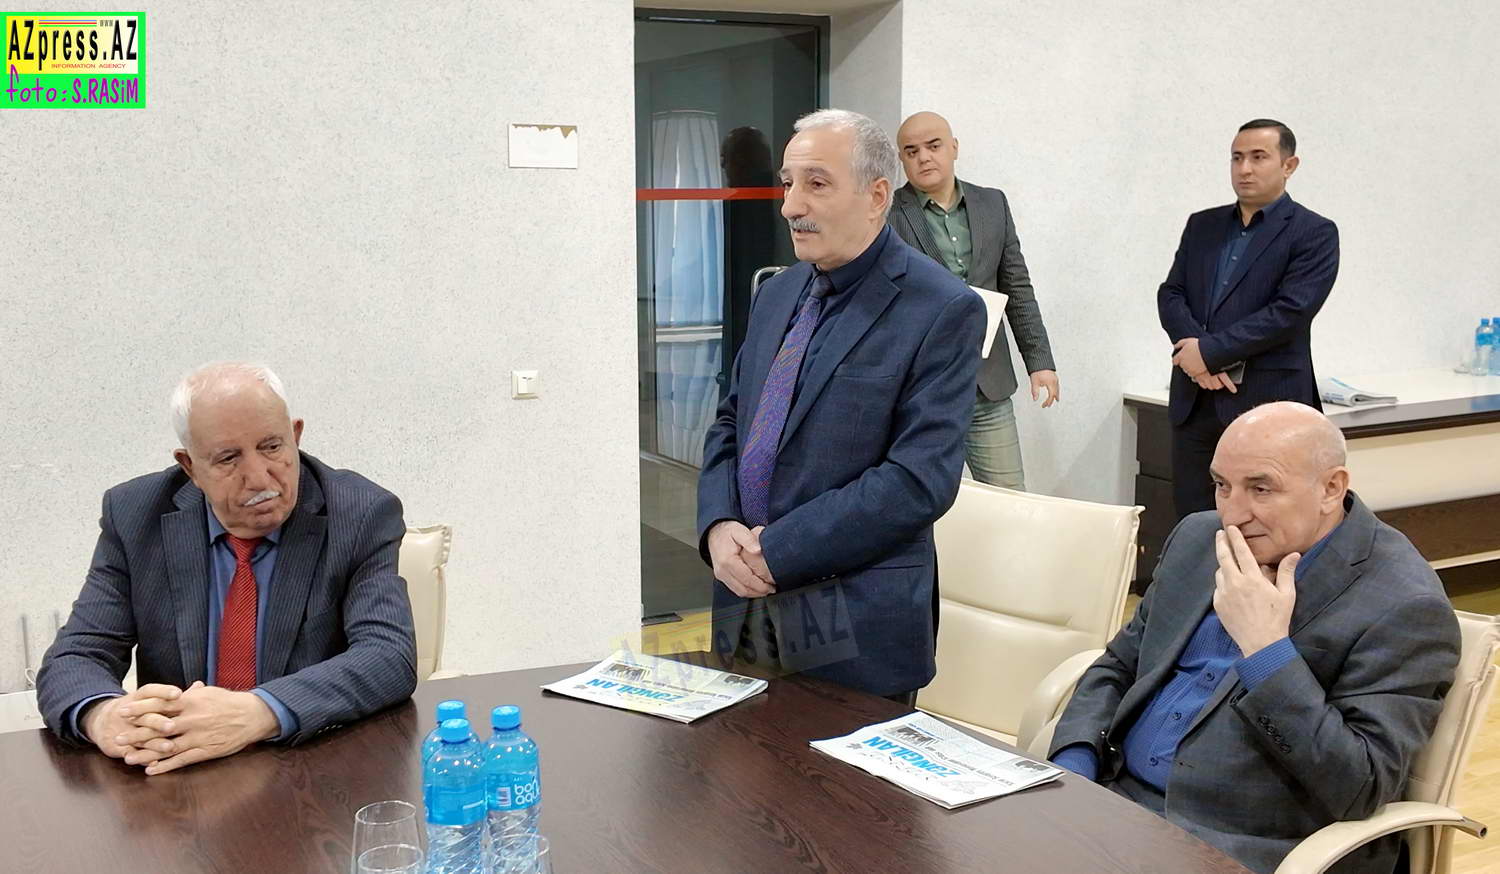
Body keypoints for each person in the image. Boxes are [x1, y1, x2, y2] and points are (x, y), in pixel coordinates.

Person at [1048, 402, 1459, 874]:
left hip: (1238, 845)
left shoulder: (1404, 604)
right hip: (1110, 801)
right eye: (1223, 485)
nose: (1233, 513)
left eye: (1261, 489)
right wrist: (1075, 765)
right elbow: (1120, 665)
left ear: (1331, 488)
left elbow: (1360, 785)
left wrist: (1266, 650)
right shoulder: (1197, 538)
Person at [696, 108, 983, 704]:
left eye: (816, 184)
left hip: (853, 626)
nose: (790, 205)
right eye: (787, 183)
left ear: (877, 196)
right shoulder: (777, 293)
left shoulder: (941, 308)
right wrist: (719, 526)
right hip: (744, 612)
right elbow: (732, 421)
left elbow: (919, 479)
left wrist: (778, 550)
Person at [37, 362, 417, 774]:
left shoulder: (360, 513)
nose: (258, 478)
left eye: (272, 447)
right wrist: (103, 715)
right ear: (190, 467)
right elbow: (76, 656)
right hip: (180, 772)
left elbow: (388, 655)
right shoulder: (135, 516)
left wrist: (260, 710)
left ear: (295, 436)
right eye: (228, 458)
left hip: (311, 767)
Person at [1158, 118, 1340, 517]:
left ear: (1289, 165)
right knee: (1193, 522)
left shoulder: (1314, 232)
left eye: (1258, 157)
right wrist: (1196, 358)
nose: (1244, 169)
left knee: (1265, 525)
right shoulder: (1202, 225)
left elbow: (1290, 312)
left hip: (1266, 402)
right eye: (1237, 158)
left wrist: (1209, 354)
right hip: (1195, 402)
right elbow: (1171, 293)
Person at [889, 111, 1058, 490]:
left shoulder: (992, 204)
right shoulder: (887, 215)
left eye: (933, 146)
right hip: (920, 393)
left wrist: (1040, 362)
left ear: (954, 147)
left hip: (987, 389)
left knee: (1009, 502)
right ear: (902, 160)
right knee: (918, 505)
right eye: (911, 151)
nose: (923, 157)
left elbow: (1017, 287)